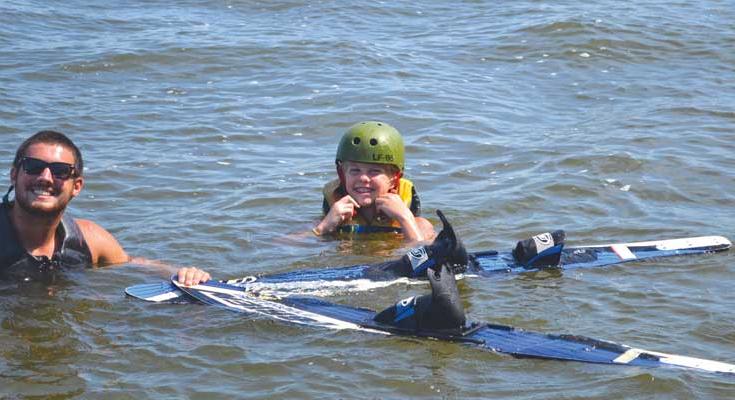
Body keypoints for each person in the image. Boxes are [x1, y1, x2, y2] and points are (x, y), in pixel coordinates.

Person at [0, 130, 209, 285]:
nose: (45, 178)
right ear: (14, 175)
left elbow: (130, 263)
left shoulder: (88, 239)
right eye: (34, 167)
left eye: (60, 171)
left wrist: (183, 274)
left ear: (77, 186)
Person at [313, 121, 436, 242]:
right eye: (355, 170)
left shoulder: (419, 225)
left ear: (394, 178)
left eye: (374, 171)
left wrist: (404, 217)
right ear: (342, 175)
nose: (363, 178)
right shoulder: (329, 219)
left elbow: (421, 249)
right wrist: (323, 227)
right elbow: (302, 244)